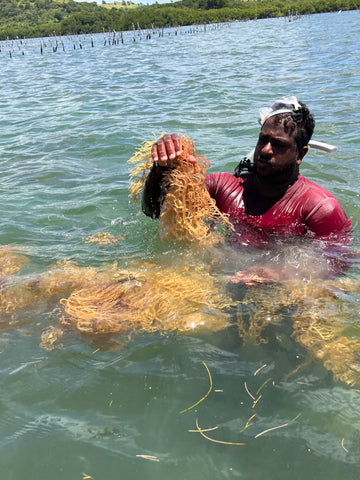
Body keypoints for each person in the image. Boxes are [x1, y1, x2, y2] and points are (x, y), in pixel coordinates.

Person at [142, 97, 352, 282]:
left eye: (278, 145)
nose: (266, 150)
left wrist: (279, 275)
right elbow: (155, 212)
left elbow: (337, 266)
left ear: (300, 155)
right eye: (263, 139)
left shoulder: (319, 208)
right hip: (218, 280)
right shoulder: (223, 188)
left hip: (276, 300)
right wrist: (163, 167)